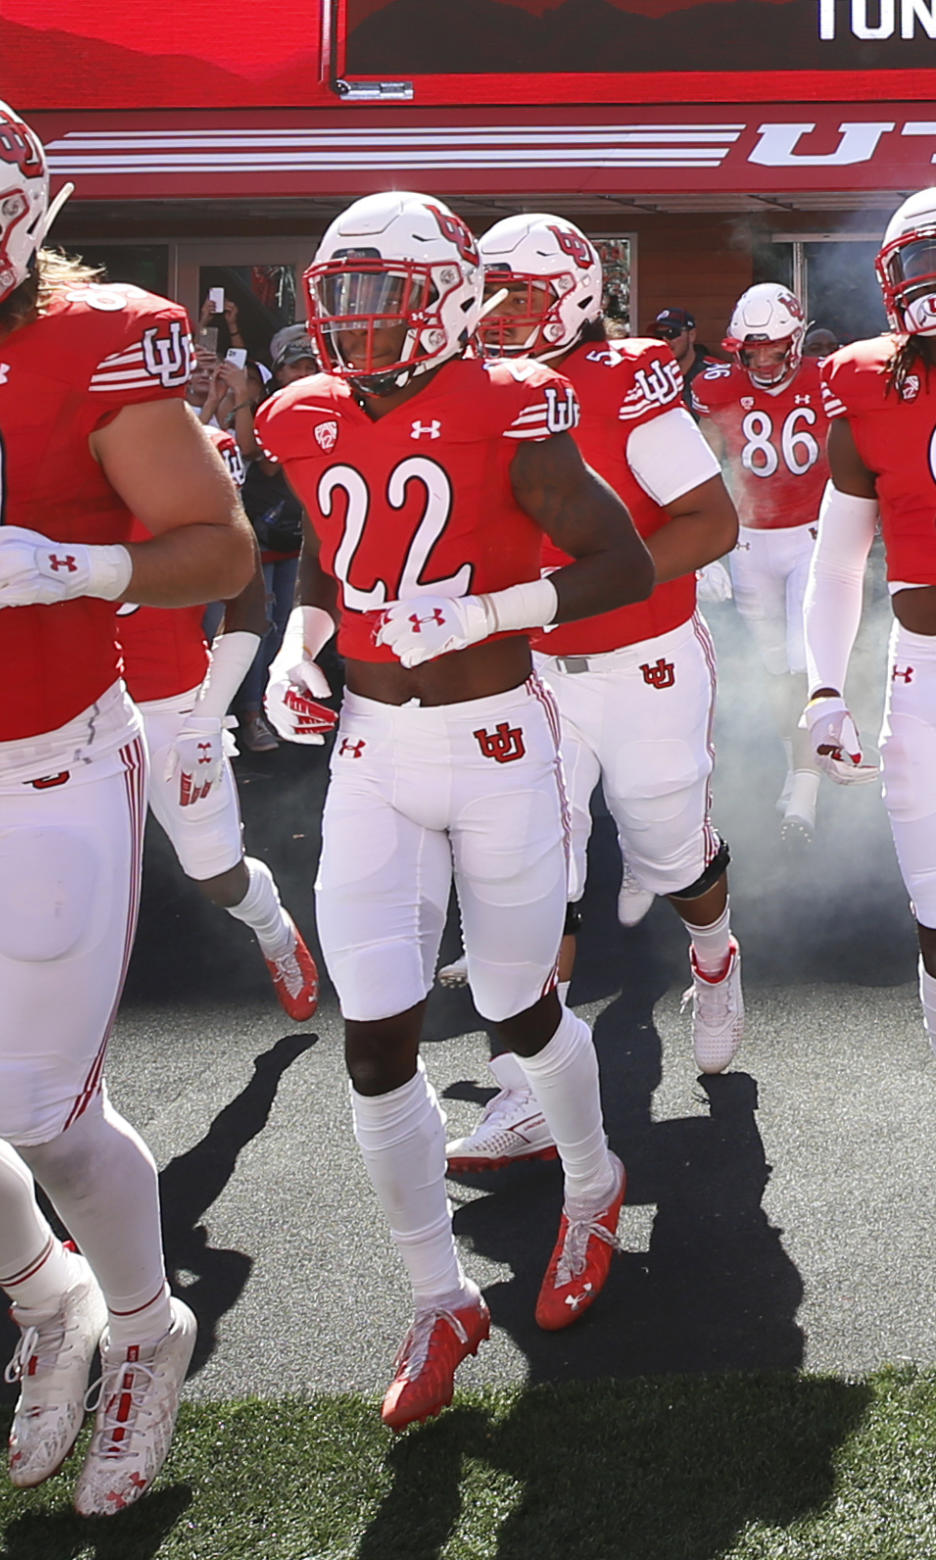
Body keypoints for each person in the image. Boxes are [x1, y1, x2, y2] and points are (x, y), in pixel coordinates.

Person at [255, 190, 655, 1429]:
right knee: (374, 1038)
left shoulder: (510, 398)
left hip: (495, 741)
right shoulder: (303, 414)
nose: (358, 326)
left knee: (515, 1004)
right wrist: (299, 647)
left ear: (451, 297)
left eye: (383, 295)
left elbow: (621, 561)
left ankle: (592, 1184)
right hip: (373, 750)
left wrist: (487, 613)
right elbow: (334, 540)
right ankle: (439, 1298)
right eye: (342, 298)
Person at [0, 93, 253, 1516]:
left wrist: (65, 567)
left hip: (41, 767)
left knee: (34, 1106)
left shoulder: (92, 343)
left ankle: (149, 1327)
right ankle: (50, 1300)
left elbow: (219, 551)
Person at [441, 214, 741, 1173]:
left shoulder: (618, 384)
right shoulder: (473, 387)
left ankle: (718, 954)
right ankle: (530, 1091)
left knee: (669, 847)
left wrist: (581, 590)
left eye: (516, 295)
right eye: (482, 293)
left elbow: (711, 520)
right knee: (531, 870)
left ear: (573, 296)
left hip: (644, 660)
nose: (492, 314)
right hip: (534, 676)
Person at [117, 425, 318, 1021]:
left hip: (172, 704)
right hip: (79, 713)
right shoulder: (25, 466)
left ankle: (274, 930)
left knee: (217, 874)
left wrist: (207, 720)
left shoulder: (188, 450)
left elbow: (246, 595)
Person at [802, 186, 936, 1058]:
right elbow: (840, 559)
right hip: (923, 663)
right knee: (932, 894)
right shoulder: (864, 377)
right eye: (923, 262)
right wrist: (822, 687)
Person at [692, 284, 831, 841]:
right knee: (775, 666)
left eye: (775, 350)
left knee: (803, 659)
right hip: (749, 540)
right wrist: (707, 545)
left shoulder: (827, 377)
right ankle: (796, 763)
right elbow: (702, 467)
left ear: (795, 343)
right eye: (753, 353)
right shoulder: (714, 387)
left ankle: (807, 781)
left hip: (809, 535)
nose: (764, 362)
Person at [235, 328, 321, 753]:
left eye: (312, 365)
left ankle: (284, 705)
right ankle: (251, 715)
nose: (305, 373)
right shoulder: (268, 406)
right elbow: (267, 464)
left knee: (291, 629)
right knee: (260, 630)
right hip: (261, 535)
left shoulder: (325, 401)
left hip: (300, 533)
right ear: (279, 370)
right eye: (296, 366)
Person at [651, 306, 724, 415]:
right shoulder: (652, 378)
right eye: (659, 336)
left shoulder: (715, 372)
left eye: (672, 333)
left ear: (691, 335)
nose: (665, 341)